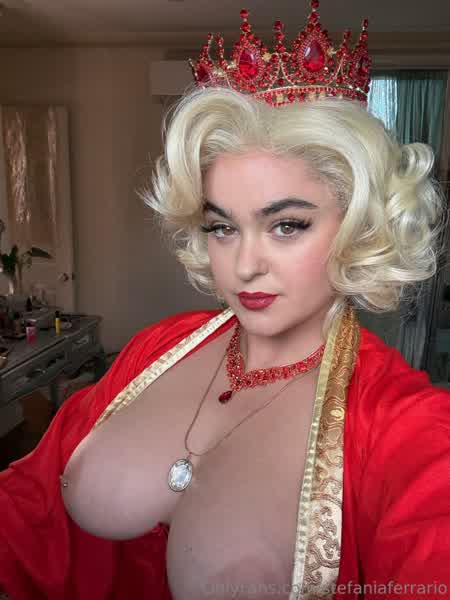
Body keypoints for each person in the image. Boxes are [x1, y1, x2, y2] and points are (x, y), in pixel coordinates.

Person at [1, 2, 449, 599]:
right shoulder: (159, 346)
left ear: (359, 228)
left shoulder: (406, 428)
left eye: (286, 225)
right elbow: (27, 502)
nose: (243, 266)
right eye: (222, 227)